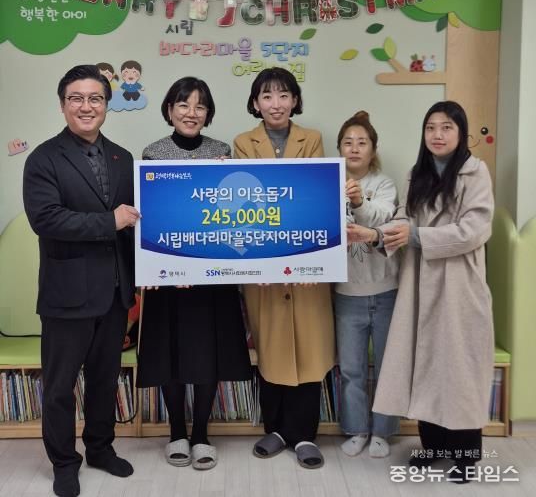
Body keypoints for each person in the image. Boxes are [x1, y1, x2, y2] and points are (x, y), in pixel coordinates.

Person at [347, 101, 494, 483]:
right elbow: (403, 219)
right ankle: (433, 448)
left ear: (461, 133)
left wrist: (417, 236)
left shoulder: (475, 172)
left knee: (458, 371)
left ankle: (465, 456)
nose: (437, 135)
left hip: (458, 287)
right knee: (425, 366)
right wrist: (374, 234)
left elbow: (475, 229)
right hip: (419, 285)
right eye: (431, 128)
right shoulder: (418, 174)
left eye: (446, 127)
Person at [22, 64, 140, 497]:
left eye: (95, 98)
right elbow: (46, 219)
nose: (86, 106)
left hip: (115, 293)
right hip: (67, 294)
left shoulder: (123, 157)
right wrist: (110, 221)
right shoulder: (43, 158)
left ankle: (100, 449)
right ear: (63, 105)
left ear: (106, 105)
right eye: (76, 98)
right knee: (59, 387)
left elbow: (136, 224)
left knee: (105, 381)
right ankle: (64, 462)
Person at [137, 76, 251, 470]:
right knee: (170, 354)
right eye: (183, 104)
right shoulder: (152, 154)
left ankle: (201, 434)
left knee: (208, 353)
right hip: (169, 276)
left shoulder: (222, 152)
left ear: (208, 113)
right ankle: (176, 433)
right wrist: (162, 266)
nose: (191, 112)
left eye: (200, 106)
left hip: (211, 276)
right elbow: (151, 215)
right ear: (170, 110)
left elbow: (231, 215)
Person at [233, 68, 335, 469]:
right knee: (271, 351)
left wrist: (305, 257)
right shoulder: (243, 142)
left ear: (295, 101)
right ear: (255, 103)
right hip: (263, 267)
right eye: (267, 96)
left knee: (309, 352)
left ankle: (304, 435)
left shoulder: (313, 138)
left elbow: (311, 197)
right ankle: (275, 430)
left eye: (283, 95)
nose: (275, 104)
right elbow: (246, 204)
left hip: (306, 262)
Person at [334, 111, 400, 459]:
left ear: (373, 149)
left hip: (387, 291)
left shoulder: (385, 184)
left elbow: (381, 219)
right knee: (351, 369)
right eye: (348, 142)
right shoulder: (328, 182)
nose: (355, 148)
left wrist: (359, 201)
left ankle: (383, 431)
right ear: (339, 149)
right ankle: (357, 429)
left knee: (389, 367)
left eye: (362, 142)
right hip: (346, 294)